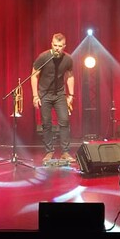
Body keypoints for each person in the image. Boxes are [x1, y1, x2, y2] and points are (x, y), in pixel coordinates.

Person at [31, 33, 75, 162]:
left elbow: (70, 76)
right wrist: (35, 96)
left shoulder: (68, 59)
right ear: (51, 44)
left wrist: (71, 95)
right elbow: (34, 75)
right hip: (44, 94)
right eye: (55, 45)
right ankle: (49, 152)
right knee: (46, 124)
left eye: (60, 46)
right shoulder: (43, 57)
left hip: (60, 94)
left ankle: (65, 152)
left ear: (64, 46)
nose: (57, 48)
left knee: (64, 121)